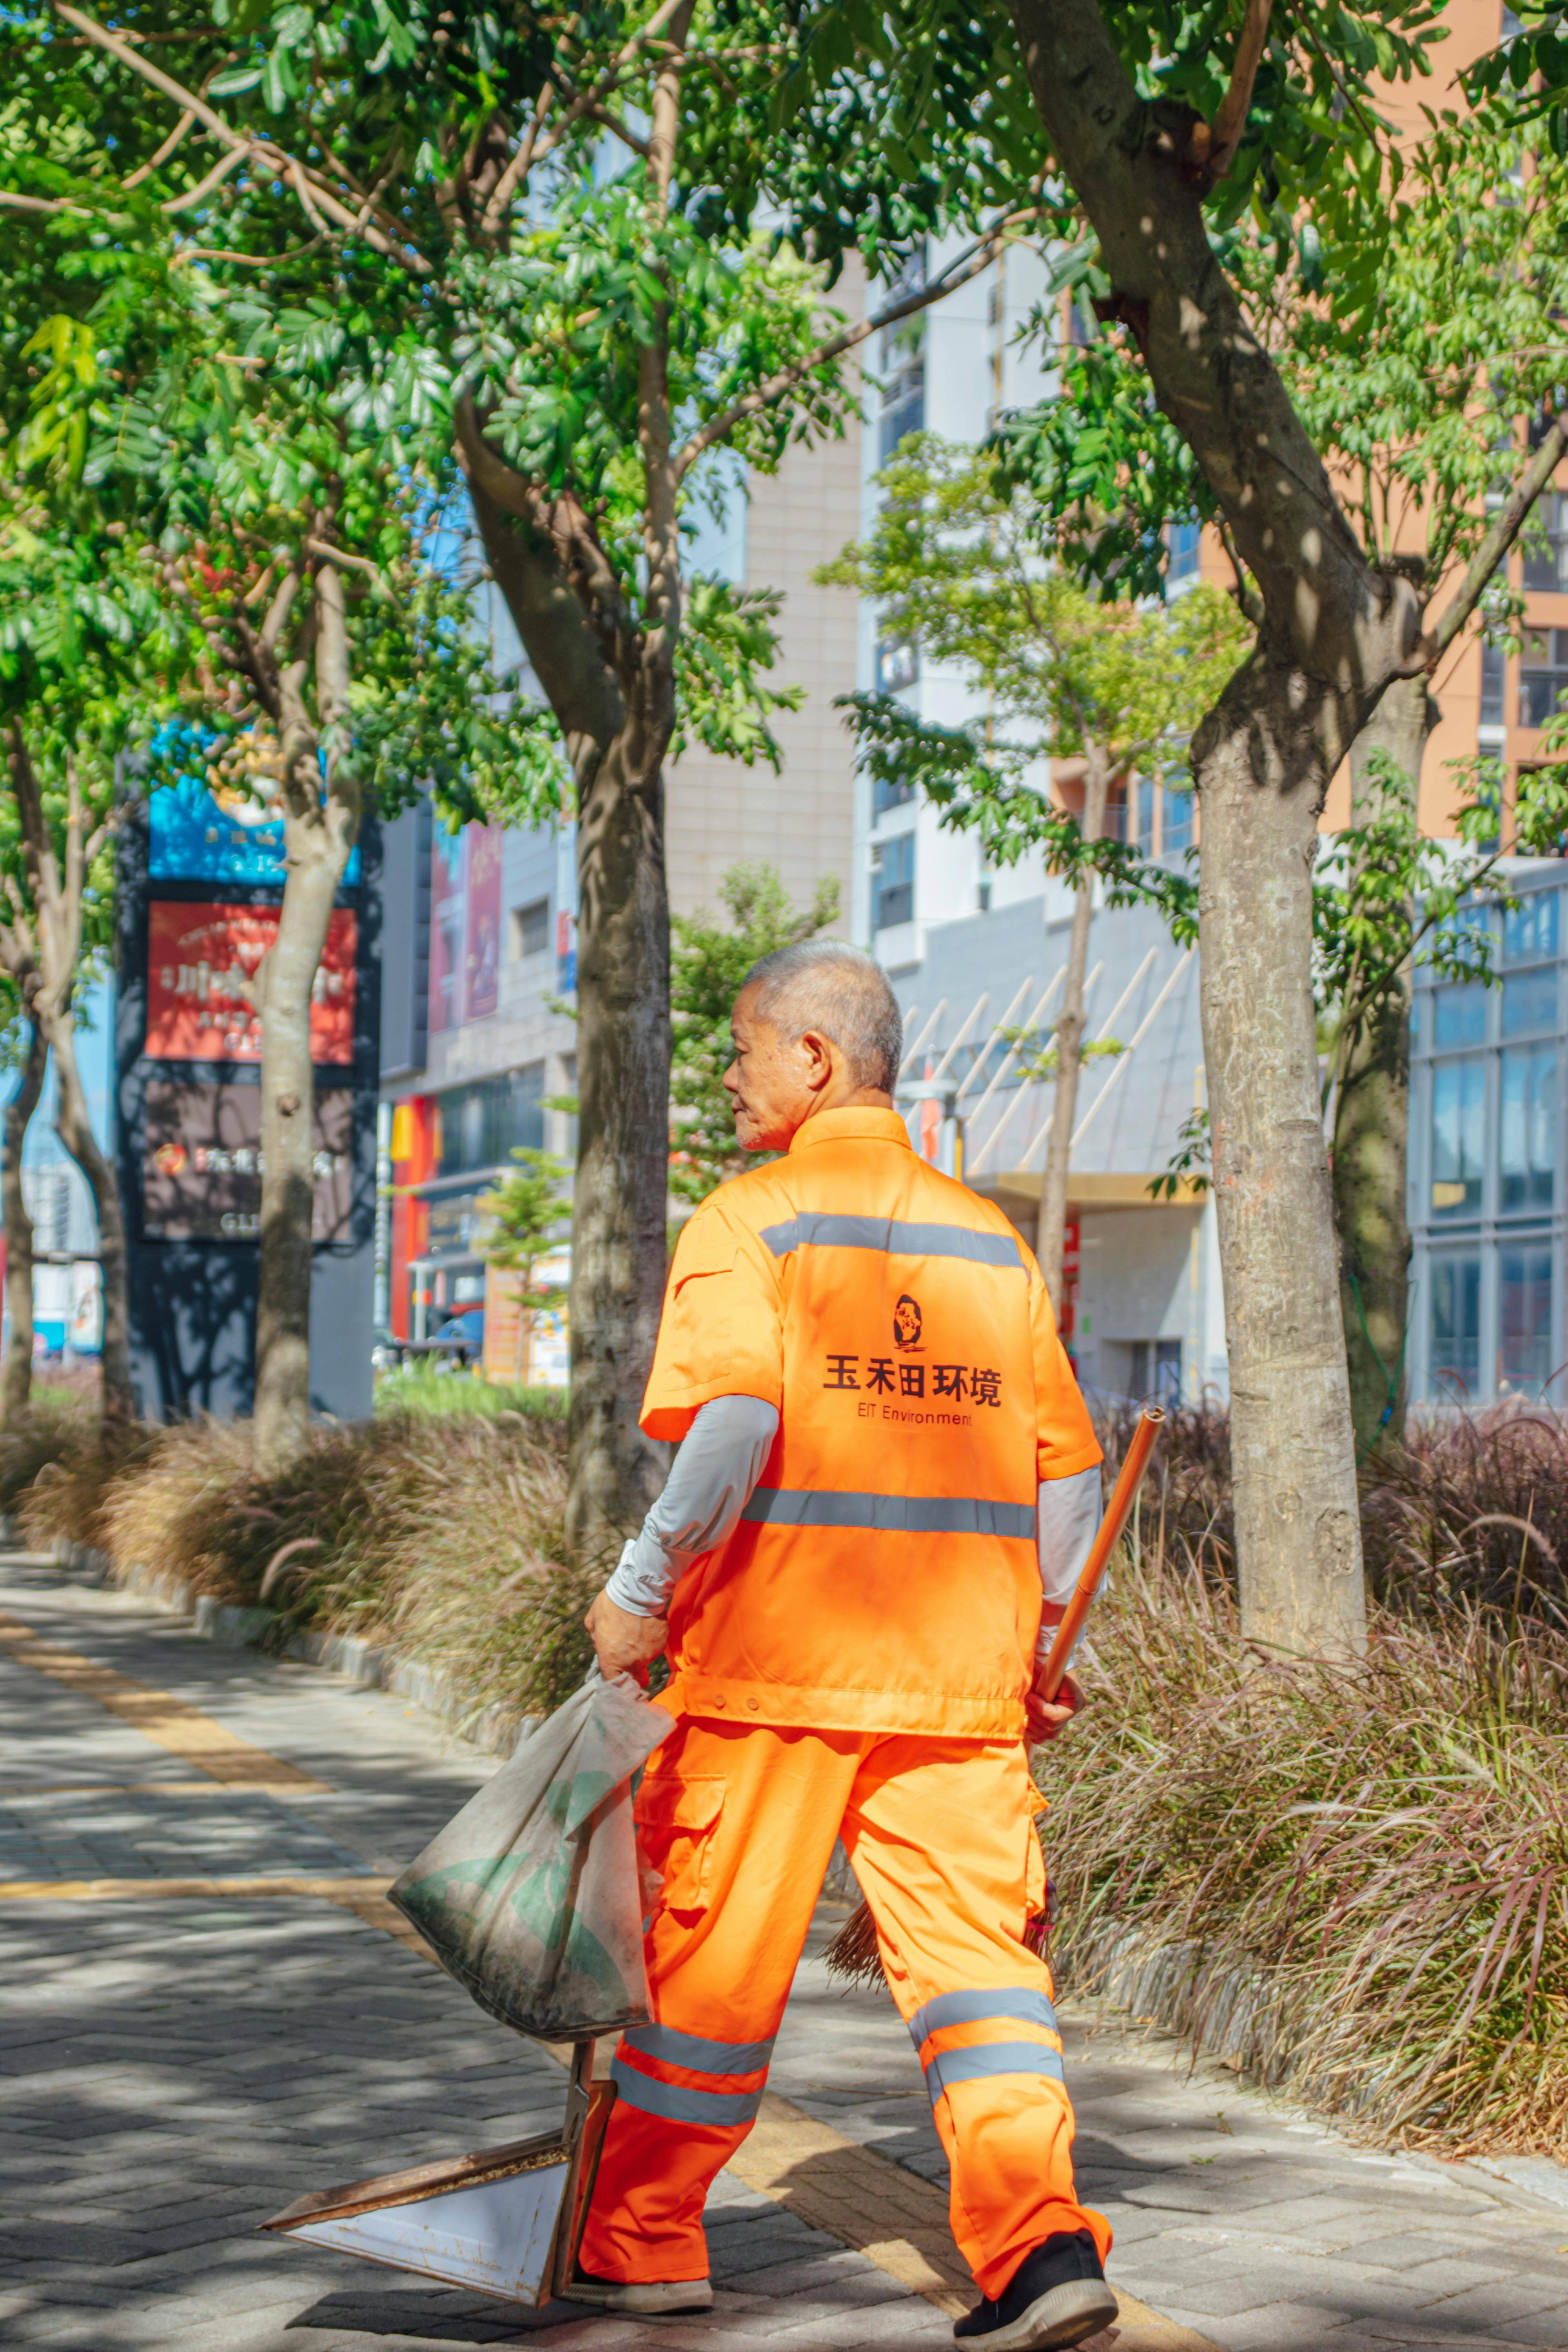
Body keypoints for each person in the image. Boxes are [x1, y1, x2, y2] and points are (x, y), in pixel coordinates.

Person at [567, 940, 1116, 2351]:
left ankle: (642, 2242)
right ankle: (1043, 2251)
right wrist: (1042, 1647)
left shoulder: (754, 1219)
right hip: (962, 1687)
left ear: (813, 1059)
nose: (730, 1074)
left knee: (712, 1969)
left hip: (772, 1669)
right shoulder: (988, 1242)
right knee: (984, 1978)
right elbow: (1067, 1476)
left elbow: (737, 1427)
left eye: (744, 1049)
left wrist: (638, 1583)